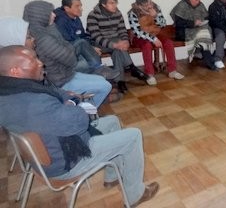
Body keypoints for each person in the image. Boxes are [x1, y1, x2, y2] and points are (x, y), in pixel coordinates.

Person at [0, 45, 159, 207]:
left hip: (52, 148)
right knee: (133, 135)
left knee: (112, 121)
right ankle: (135, 194)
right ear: (15, 71)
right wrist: (73, 104)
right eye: (33, 60)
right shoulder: (34, 103)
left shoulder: (12, 91)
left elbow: (55, 92)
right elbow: (80, 122)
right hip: (66, 160)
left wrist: (66, 98)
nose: (40, 63)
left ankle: (112, 176)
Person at [23, 0, 113, 107]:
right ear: (40, 16)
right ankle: (83, 113)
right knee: (105, 85)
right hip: (60, 81)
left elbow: (67, 44)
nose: (54, 14)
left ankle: (83, 100)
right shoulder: (44, 39)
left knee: (101, 78)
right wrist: (66, 45)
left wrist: (53, 29)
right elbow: (71, 60)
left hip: (65, 74)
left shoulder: (42, 31)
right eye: (50, 12)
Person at [86, 0, 150, 88]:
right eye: (111, 3)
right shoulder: (93, 15)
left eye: (115, 3)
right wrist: (115, 45)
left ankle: (120, 81)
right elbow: (96, 37)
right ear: (103, 4)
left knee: (117, 52)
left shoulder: (118, 13)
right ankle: (131, 68)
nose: (115, 5)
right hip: (98, 44)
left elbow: (122, 30)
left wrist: (126, 41)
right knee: (118, 48)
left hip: (116, 42)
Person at [54, 0, 120, 81]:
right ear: (67, 8)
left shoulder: (76, 18)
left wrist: (91, 47)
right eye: (77, 6)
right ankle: (99, 68)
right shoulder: (60, 20)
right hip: (65, 50)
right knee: (82, 42)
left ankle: (99, 79)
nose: (81, 8)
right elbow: (66, 41)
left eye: (80, 6)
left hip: (77, 48)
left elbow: (83, 35)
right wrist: (89, 46)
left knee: (92, 53)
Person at [128, 0, 184, 83]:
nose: (149, 6)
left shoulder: (156, 7)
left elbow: (163, 25)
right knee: (147, 45)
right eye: (146, 5)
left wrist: (155, 16)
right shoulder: (133, 12)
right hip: (140, 36)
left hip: (155, 32)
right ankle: (149, 74)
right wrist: (153, 39)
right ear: (139, 5)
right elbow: (137, 32)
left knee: (168, 42)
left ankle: (172, 71)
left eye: (149, 2)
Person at [170, 0, 216, 70]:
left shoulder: (200, 5)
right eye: (196, 0)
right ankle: (210, 62)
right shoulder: (181, 5)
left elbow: (207, 16)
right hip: (183, 32)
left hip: (198, 29)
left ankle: (208, 58)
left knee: (204, 33)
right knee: (203, 36)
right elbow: (179, 22)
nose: (198, 2)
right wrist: (193, 23)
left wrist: (202, 21)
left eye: (199, 0)